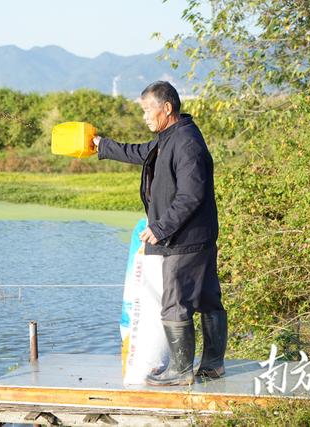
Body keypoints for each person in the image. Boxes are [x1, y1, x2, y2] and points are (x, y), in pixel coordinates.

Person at [93, 81, 227, 386]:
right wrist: (102, 145)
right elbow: (141, 153)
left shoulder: (186, 142)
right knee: (207, 299)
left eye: (146, 109)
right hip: (194, 237)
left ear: (166, 108)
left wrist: (160, 227)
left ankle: (181, 372)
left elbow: (192, 194)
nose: (144, 116)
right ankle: (213, 366)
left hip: (184, 240)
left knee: (175, 303)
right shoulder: (169, 137)